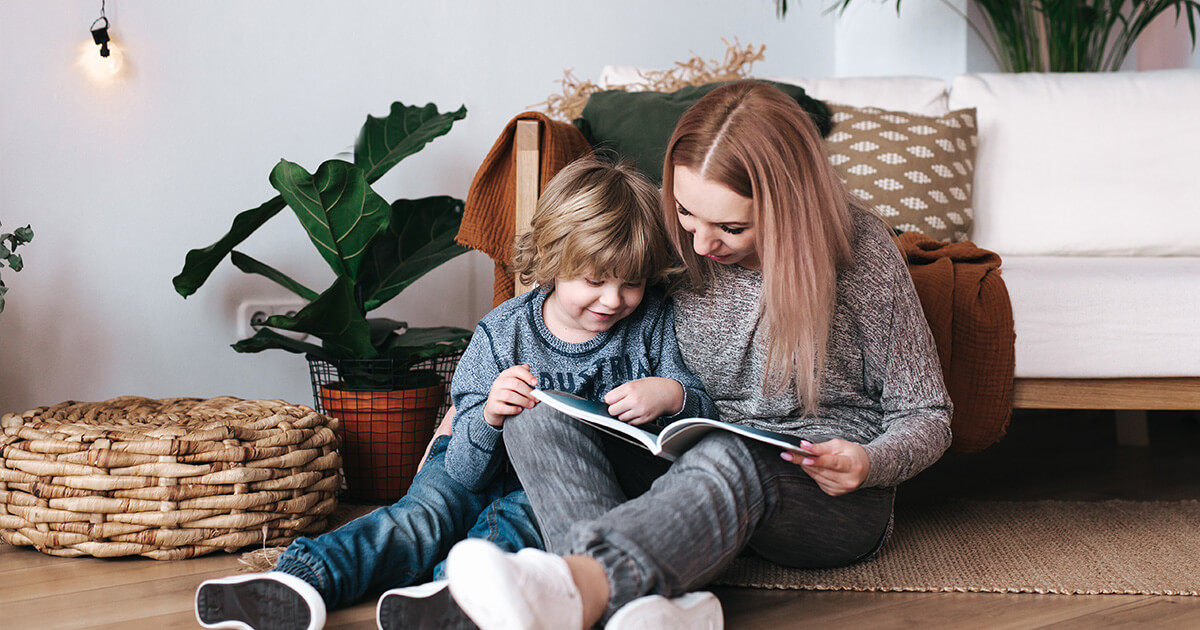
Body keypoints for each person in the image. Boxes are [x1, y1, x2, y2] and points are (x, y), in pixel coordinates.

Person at [442, 79, 954, 630]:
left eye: (731, 227)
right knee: (536, 417)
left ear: (792, 207)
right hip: (686, 464)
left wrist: (869, 463)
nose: (701, 245)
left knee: (731, 457)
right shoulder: (678, 238)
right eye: (686, 212)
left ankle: (580, 589)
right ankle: (639, 609)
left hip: (823, 494)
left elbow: (928, 415)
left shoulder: (863, 255)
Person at [194, 154, 717, 630]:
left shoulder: (651, 324)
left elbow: (698, 412)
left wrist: (671, 394)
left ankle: (451, 598)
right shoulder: (502, 333)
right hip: (471, 457)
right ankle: (298, 579)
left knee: (516, 529)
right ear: (554, 261)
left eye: (631, 283)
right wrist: (488, 416)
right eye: (595, 280)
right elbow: (465, 469)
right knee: (420, 521)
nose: (613, 299)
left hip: (557, 483)